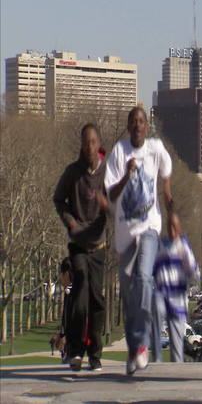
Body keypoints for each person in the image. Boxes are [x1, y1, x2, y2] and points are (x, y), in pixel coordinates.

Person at [104, 106, 181, 375]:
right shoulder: (118, 152)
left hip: (150, 228)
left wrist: (172, 213)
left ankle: (141, 344)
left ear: (147, 126)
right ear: (128, 127)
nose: (137, 126)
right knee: (129, 295)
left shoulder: (156, 149)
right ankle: (134, 346)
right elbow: (112, 195)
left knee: (143, 278)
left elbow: (167, 182)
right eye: (133, 122)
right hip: (126, 233)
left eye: (141, 122)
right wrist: (126, 174)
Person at [53, 123, 108, 372]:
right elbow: (58, 200)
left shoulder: (107, 173)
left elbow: (117, 203)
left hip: (99, 245)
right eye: (86, 142)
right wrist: (71, 221)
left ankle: (95, 354)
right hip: (77, 245)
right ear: (81, 145)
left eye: (93, 142)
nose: (89, 146)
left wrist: (106, 205)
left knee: (97, 300)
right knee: (80, 291)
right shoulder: (72, 172)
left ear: (99, 145)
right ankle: (75, 351)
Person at [151, 219, 200, 363]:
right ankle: (156, 359)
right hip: (161, 291)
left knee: (176, 336)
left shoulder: (184, 246)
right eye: (169, 228)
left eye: (174, 228)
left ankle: (176, 364)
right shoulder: (160, 244)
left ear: (179, 229)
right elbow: (151, 267)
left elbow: (193, 271)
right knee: (157, 313)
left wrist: (194, 272)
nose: (172, 232)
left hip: (177, 296)